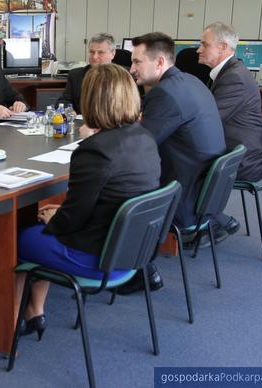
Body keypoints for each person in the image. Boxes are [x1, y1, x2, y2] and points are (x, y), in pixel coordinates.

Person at [16, 64, 161, 339]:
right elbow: (104, 200)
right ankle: (34, 311)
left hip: (98, 257)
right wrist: (61, 214)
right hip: (132, 251)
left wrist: (57, 217)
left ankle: (14, 323)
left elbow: (71, 221)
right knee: (45, 222)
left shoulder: (95, 151)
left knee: (20, 238)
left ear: (92, 100)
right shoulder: (144, 137)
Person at [120, 32, 226, 295]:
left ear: (159, 63)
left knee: (117, 184)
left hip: (181, 198)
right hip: (204, 193)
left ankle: (139, 270)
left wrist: (101, 139)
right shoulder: (190, 82)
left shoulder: (165, 93)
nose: (131, 69)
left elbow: (138, 148)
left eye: (137, 62)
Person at [198, 21, 262, 240]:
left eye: (204, 44)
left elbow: (209, 121)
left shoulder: (234, 78)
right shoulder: (228, 73)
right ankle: (210, 219)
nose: (199, 49)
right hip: (237, 150)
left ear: (222, 47)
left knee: (182, 161)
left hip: (244, 159)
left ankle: (213, 221)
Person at [57, 33, 117, 113]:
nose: (94, 57)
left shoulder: (123, 77)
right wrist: (68, 110)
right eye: (92, 52)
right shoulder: (76, 75)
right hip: (82, 123)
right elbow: (63, 101)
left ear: (113, 53)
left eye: (100, 52)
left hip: (113, 124)